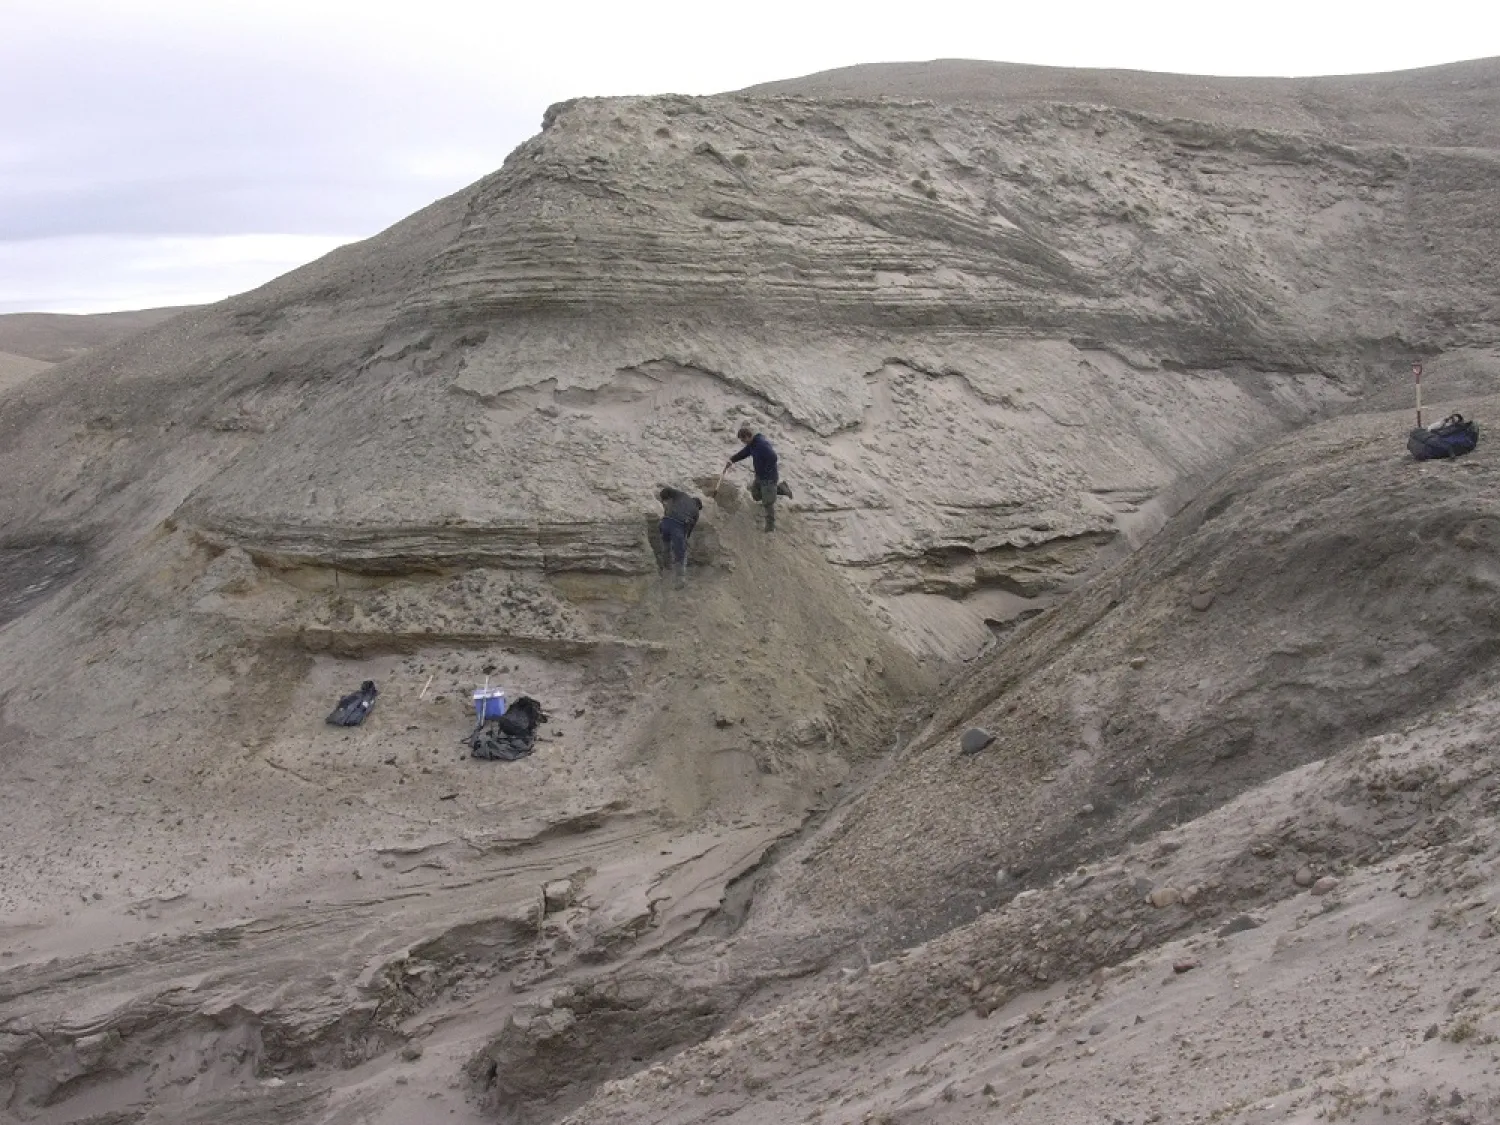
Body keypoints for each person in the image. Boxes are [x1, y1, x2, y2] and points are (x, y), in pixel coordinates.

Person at [725, 425, 792, 531]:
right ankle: (781, 488)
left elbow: (773, 457)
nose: (743, 442)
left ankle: (770, 526)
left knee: (768, 502)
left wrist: (766, 471)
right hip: (760, 476)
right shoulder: (752, 445)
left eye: (743, 440)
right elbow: (744, 453)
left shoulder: (762, 445)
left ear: (748, 436)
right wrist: (732, 460)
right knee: (756, 495)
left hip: (769, 477)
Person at [658, 486, 703, 584]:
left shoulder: (682, 495)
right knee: (680, 553)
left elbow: (667, 490)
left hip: (665, 521)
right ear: (698, 506)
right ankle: (680, 579)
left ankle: (666, 565)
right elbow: (689, 530)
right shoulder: (696, 512)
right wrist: (685, 540)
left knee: (666, 544)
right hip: (678, 526)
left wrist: (663, 500)